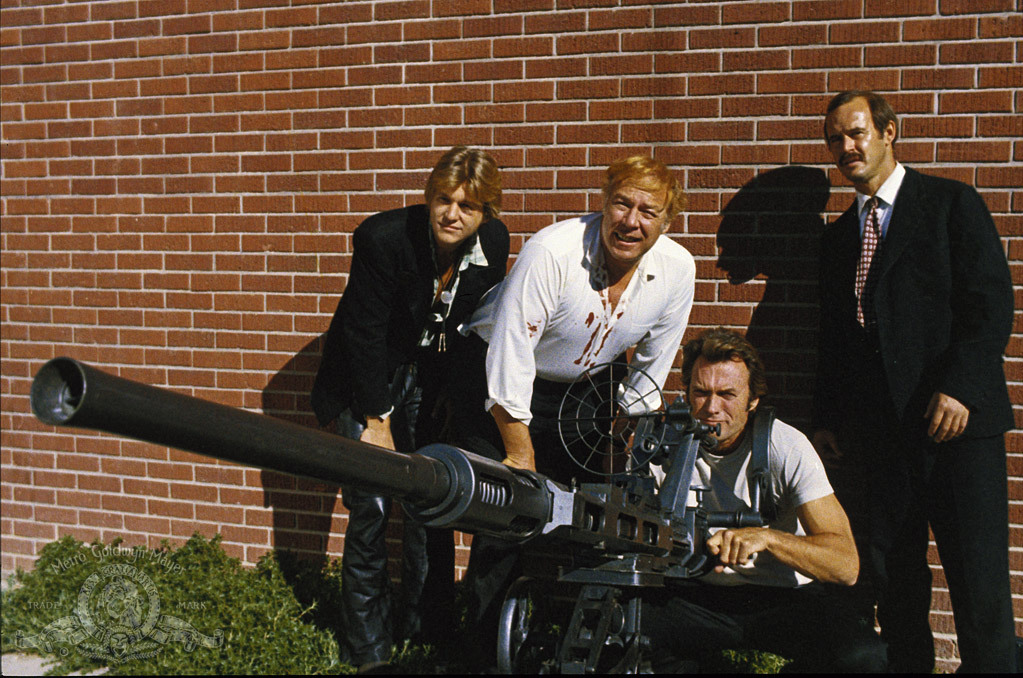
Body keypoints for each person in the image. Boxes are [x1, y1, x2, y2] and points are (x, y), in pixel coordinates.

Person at [460, 155, 695, 664]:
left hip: (587, 388)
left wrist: (624, 449)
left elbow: (651, 368)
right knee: (506, 519)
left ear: (667, 222)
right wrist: (521, 458)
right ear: (602, 204)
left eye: (648, 212)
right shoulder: (553, 250)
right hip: (502, 377)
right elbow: (510, 358)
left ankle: (568, 647)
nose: (631, 221)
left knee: (586, 519)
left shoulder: (678, 269)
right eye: (621, 204)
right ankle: (481, 656)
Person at [813, 90, 1016, 673]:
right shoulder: (837, 239)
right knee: (896, 587)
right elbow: (836, 338)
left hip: (958, 432)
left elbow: (990, 306)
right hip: (883, 442)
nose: (846, 148)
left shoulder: (951, 205)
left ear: (888, 132)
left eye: (855, 133)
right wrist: (827, 418)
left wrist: (959, 388)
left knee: (979, 592)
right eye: (834, 140)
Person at [310, 146, 509, 670]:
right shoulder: (382, 239)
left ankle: (427, 628)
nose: (452, 214)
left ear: (486, 213)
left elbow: (476, 327)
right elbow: (363, 332)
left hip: (429, 377)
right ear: (428, 197)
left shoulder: (494, 242)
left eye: (468, 206)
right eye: (443, 199)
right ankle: (369, 651)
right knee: (372, 505)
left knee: (431, 496)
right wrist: (377, 420)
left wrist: (449, 395)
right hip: (367, 375)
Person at [644, 328, 886, 673]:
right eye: (700, 393)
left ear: (752, 400)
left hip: (782, 598)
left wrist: (768, 538)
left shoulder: (785, 445)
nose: (712, 408)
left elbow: (846, 566)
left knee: (863, 659)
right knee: (622, 631)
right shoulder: (659, 449)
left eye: (727, 394)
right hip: (697, 596)